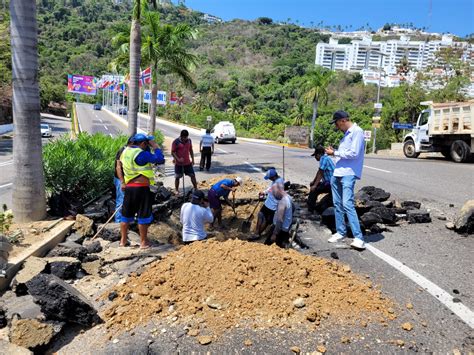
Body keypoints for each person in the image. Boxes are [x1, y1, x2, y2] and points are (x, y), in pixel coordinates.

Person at [324, 110, 366, 250]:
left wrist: (334, 152)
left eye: (336, 124)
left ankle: (358, 238)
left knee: (347, 204)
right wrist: (334, 153)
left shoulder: (357, 132)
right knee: (337, 204)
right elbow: (343, 155)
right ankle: (340, 232)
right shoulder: (346, 135)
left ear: (342, 120)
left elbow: (354, 153)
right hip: (338, 172)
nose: (336, 127)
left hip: (349, 173)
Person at [120, 133, 165, 249]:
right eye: (146, 144)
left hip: (129, 186)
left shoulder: (125, 152)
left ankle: (123, 240)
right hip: (141, 188)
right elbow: (160, 159)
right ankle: (143, 242)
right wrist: (155, 146)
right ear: (143, 143)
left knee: (126, 214)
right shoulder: (141, 154)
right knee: (143, 215)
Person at [252, 168, 284, 239]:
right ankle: (257, 233)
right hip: (268, 203)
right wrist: (264, 192)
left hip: (273, 206)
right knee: (261, 215)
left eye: (269, 178)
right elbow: (270, 188)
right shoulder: (276, 181)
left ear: (273, 177)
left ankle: (257, 234)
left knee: (266, 220)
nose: (269, 179)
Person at [265, 183, 294, 248]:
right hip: (285, 228)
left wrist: (275, 234)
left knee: (266, 246)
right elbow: (293, 208)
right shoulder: (288, 197)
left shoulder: (282, 202)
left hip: (280, 229)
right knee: (281, 247)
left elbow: (279, 220)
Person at [307, 145, 335, 213]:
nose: (315, 158)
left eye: (315, 156)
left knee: (314, 190)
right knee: (313, 185)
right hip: (329, 182)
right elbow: (319, 171)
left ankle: (310, 210)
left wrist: (315, 185)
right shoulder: (325, 158)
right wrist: (313, 182)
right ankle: (313, 206)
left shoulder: (324, 158)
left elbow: (321, 173)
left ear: (319, 154)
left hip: (331, 183)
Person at [114, 136, 134, 223]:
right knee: (121, 201)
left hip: (128, 179)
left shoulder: (131, 151)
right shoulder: (123, 151)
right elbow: (118, 168)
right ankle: (118, 221)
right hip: (120, 179)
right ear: (131, 143)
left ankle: (127, 221)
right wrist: (122, 182)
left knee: (128, 201)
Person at [172, 129, 197, 194]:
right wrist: (178, 159)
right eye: (184, 137)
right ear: (181, 136)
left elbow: (191, 150)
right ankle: (176, 190)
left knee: (192, 175)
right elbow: (173, 152)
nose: (185, 139)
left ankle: (196, 188)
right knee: (177, 177)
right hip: (179, 164)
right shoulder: (176, 142)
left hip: (188, 163)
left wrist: (193, 160)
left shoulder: (189, 141)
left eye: (186, 137)